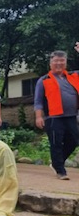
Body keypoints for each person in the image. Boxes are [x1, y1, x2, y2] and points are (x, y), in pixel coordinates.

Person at [34, 49, 79, 181]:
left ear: (66, 62)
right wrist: (38, 116)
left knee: (74, 141)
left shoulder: (73, 76)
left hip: (71, 115)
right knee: (56, 143)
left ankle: (56, 163)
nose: (59, 63)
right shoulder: (44, 80)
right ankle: (60, 171)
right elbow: (38, 101)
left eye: (62, 61)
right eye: (56, 61)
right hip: (53, 117)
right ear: (50, 63)